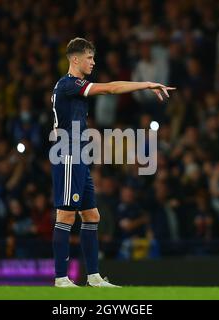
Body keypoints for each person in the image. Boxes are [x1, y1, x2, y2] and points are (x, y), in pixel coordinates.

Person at [50, 37, 175, 287]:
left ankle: (94, 277)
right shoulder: (68, 84)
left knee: (91, 214)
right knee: (65, 215)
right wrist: (146, 84)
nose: (93, 62)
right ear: (75, 59)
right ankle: (61, 278)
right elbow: (109, 89)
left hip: (80, 155)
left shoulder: (74, 86)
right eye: (89, 57)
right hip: (67, 154)